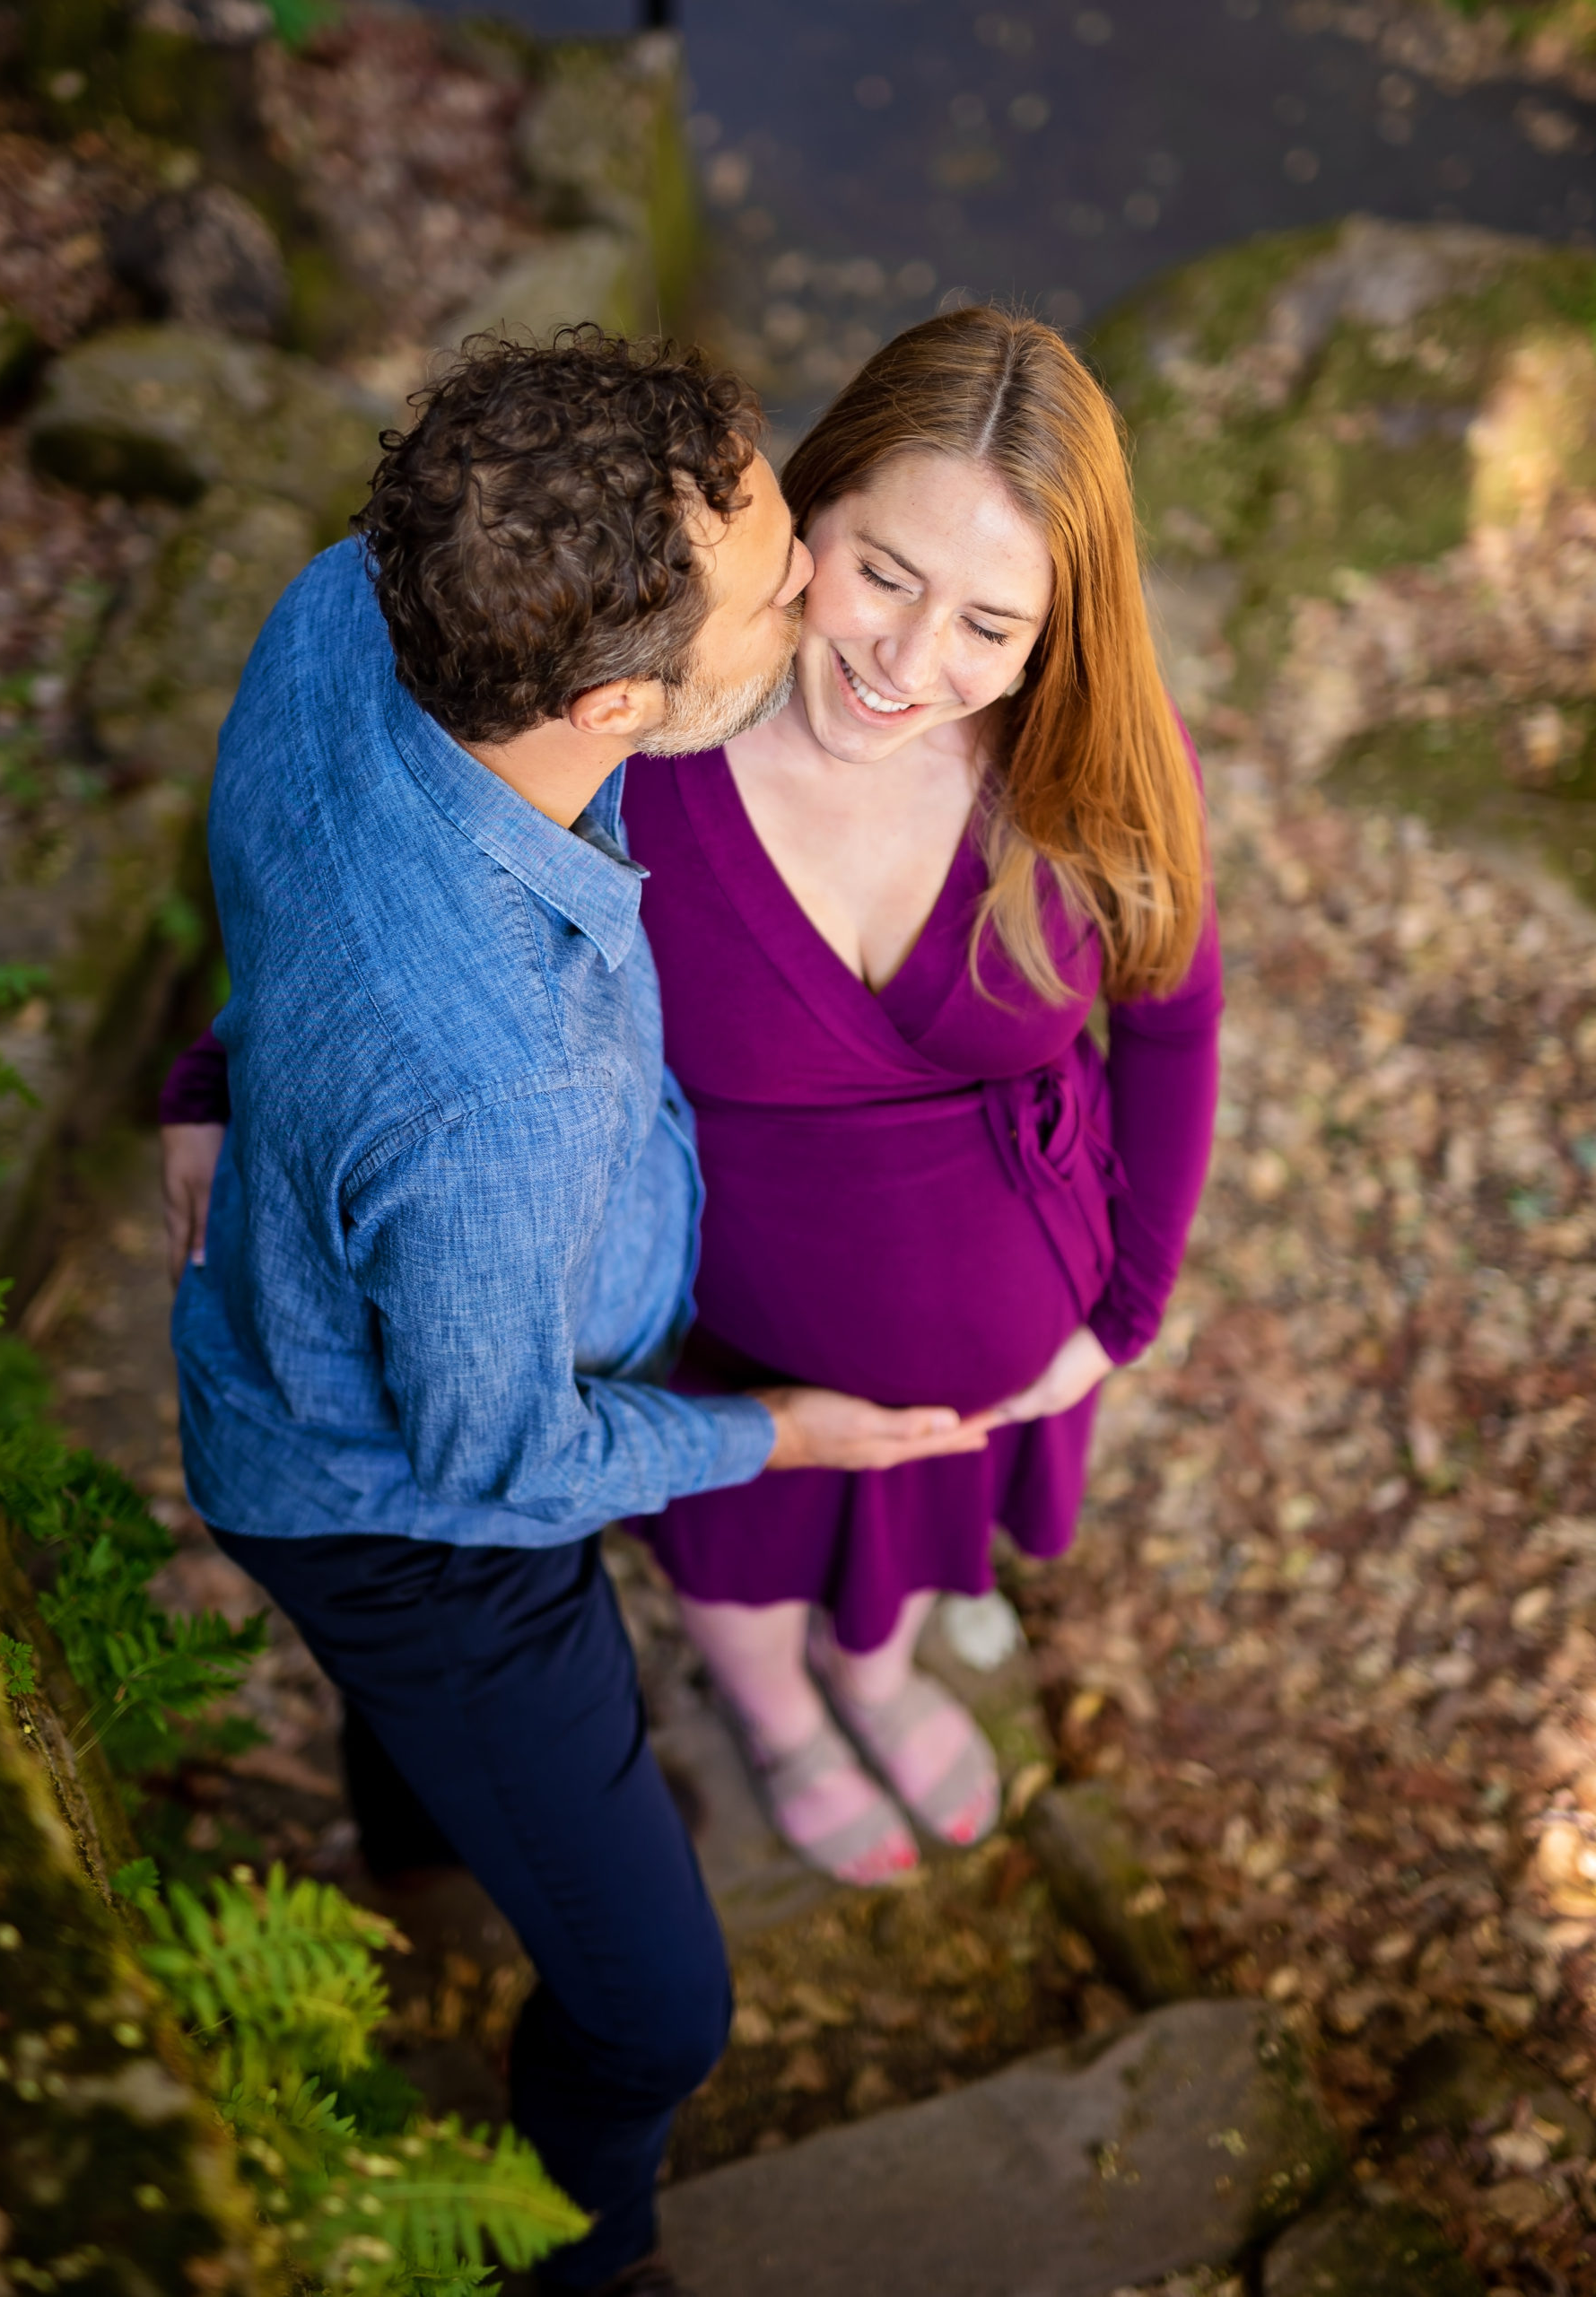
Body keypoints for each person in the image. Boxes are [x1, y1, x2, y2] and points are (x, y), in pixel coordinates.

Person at [159, 328, 990, 2297]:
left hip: (293, 1350)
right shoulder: (496, 1094)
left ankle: (430, 1855)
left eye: (779, 512)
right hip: (415, 1524)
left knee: (424, 1749)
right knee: (654, 2005)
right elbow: (498, 1455)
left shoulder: (353, 601)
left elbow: (280, 892)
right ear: (619, 699)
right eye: (780, 583)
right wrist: (780, 1432)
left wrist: (222, 1071)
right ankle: (576, 2250)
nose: (814, 591)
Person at [619, 304, 1223, 1884]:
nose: (906, 663)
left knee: (902, 1562)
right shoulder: (647, 744)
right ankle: (773, 1711)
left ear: (1053, 636)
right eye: (882, 573)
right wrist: (219, 1068)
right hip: (737, 1347)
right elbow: (417, 878)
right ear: (804, 508)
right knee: (752, 1576)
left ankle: (872, 1676)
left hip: (1006, 1347)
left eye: (988, 625)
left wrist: (1120, 1318)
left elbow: (1173, 1026)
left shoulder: (1089, 760)